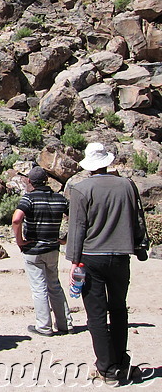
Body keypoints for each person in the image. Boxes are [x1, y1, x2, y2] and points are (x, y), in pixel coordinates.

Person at [66, 143, 148, 385]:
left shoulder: (81, 189)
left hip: (91, 257)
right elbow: (137, 218)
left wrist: (74, 260)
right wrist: (139, 245)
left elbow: (77, 228)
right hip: (121, 256)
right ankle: (121, 362)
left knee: (97, 315)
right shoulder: (127, 186)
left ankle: (106, 368)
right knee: (119, 309)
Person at [12, 166, 73, 337]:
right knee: (54, 285)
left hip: (33, 249)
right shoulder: (59, 199)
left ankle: (44, 327)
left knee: (39, 288)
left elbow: (16, 219)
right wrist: (65, 238)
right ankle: (65, 324)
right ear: (46, 180)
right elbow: (76, 218)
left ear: (30, 181)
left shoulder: (29, 199)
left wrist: (20, 241)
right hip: (53, 248)